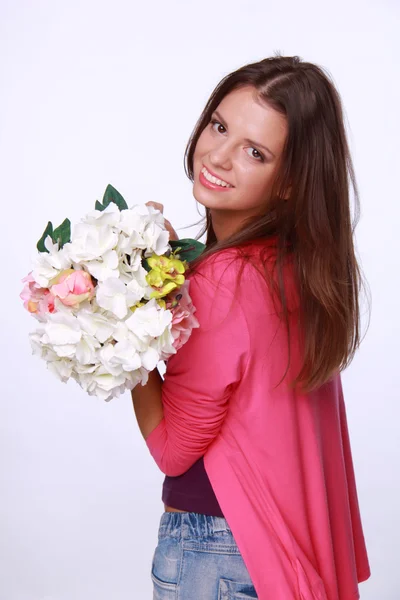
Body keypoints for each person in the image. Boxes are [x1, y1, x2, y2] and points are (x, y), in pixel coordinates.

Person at [131, 54, 372, 600]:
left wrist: (126, 330)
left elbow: (172, 450)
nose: (217, 156)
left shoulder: (223, 280)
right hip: (272, 550)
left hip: (218, 553)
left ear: (290, 183)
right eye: (220, 126)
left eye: (255, 152)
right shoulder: (296, 271)